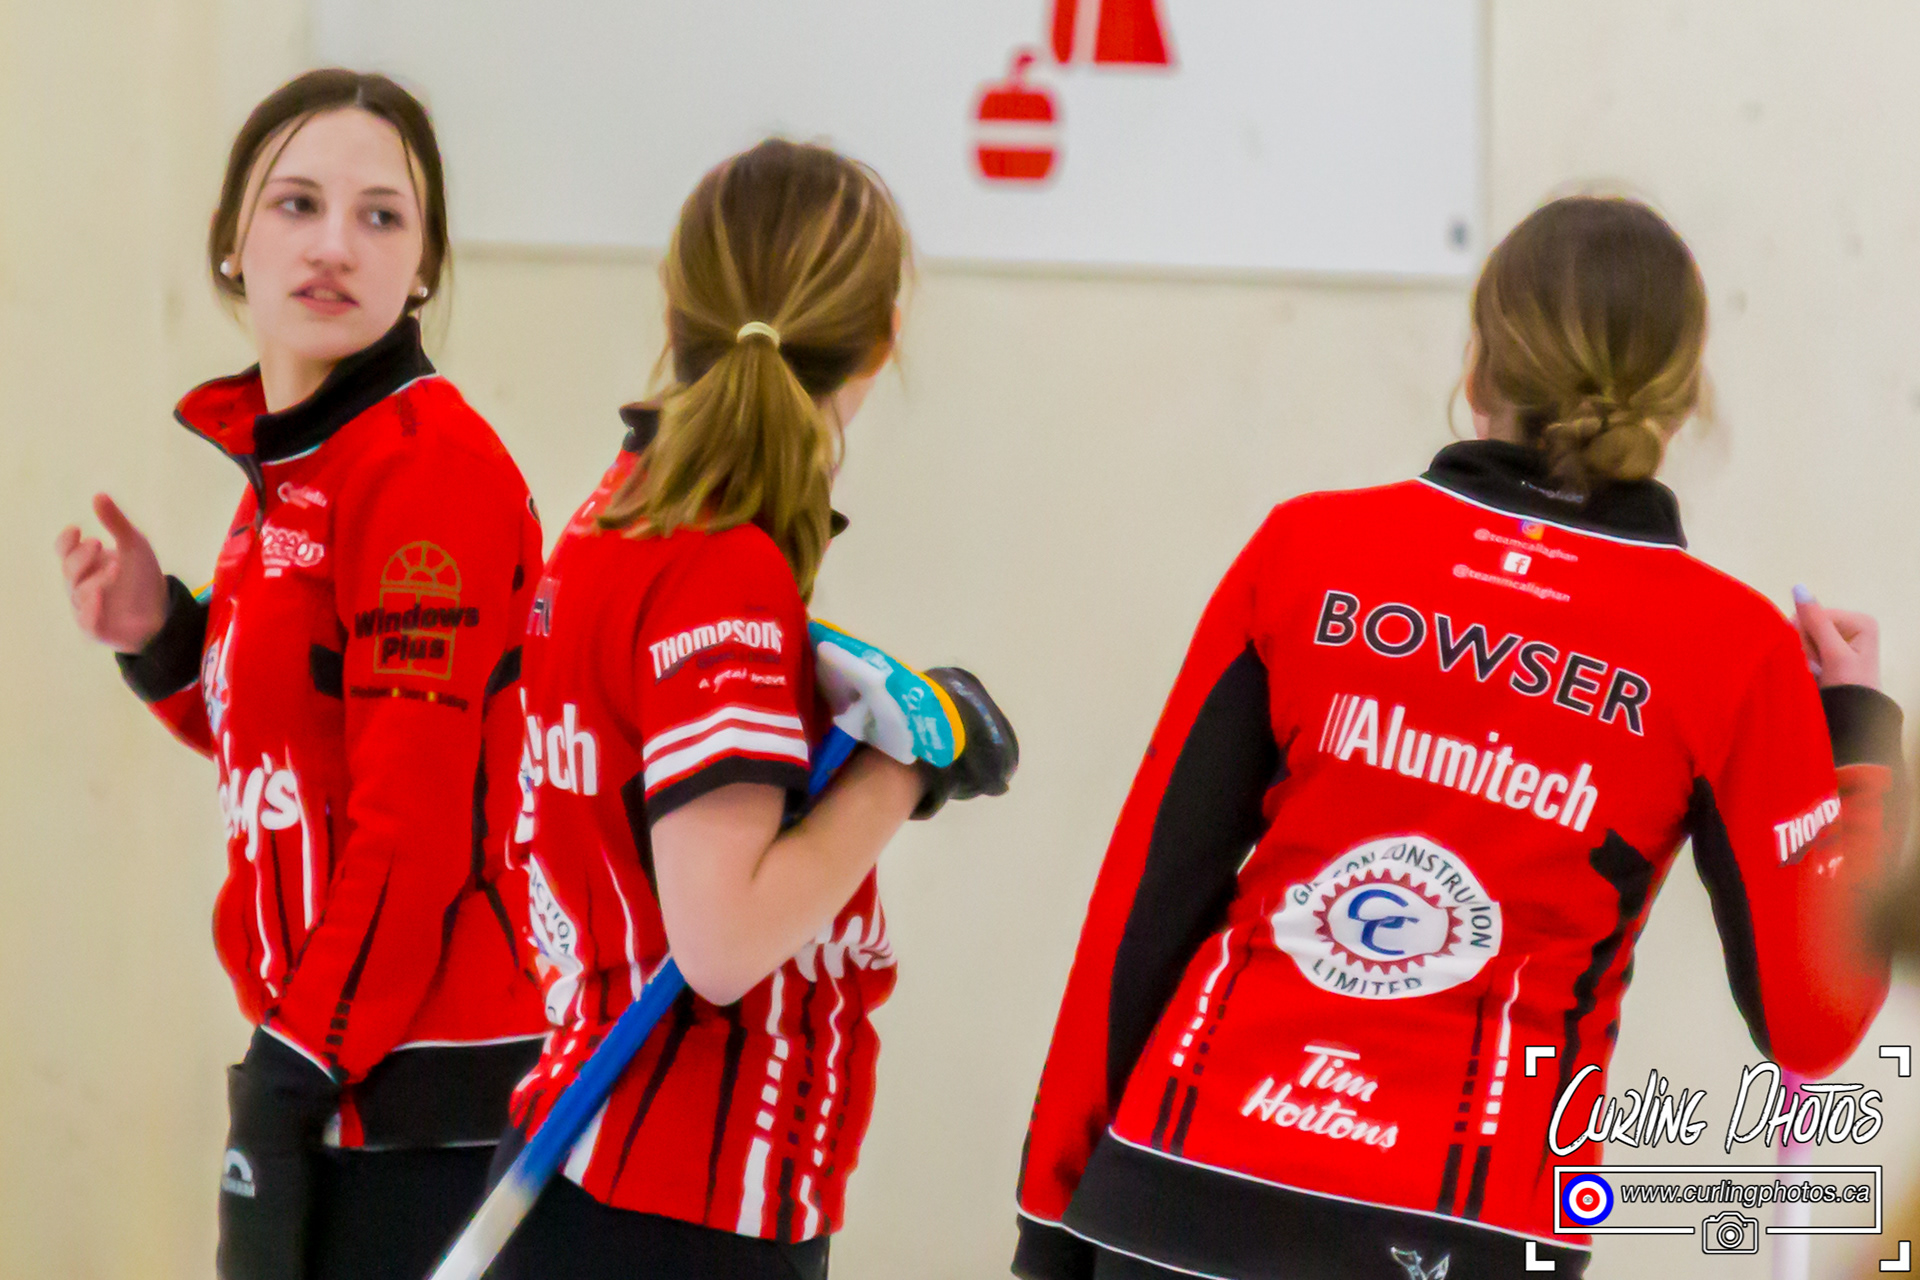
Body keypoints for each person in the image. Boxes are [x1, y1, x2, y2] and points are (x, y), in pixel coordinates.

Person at [1013, 195, 1905, 1280]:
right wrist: (1857, 742)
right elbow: (1814, 1020)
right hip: (1468, 1230)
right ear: (1680, 402)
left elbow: (1140, 911)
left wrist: (1052, 1221)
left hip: (1178, 1192)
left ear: (1478, 362)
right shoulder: (1733, 647)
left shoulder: (1308, 547)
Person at [491, 138, 1018, 1280]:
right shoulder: (717, 561)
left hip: (602, 1172)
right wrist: (905, 766)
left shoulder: (621, 513)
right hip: (678, 1197)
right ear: (882, 341)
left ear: (675, 305)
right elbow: (722, 941)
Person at [53, 70, 546, 1280]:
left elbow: (412, 826)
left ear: (423, 265)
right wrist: (167, 641)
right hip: (344, 1075)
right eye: (298, 203)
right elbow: (301, 745)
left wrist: (294, 1066)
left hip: (430, 1103)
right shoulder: (299, 462)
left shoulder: (424, 470)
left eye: (382, 215)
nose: (335, 244)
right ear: (234, 240)